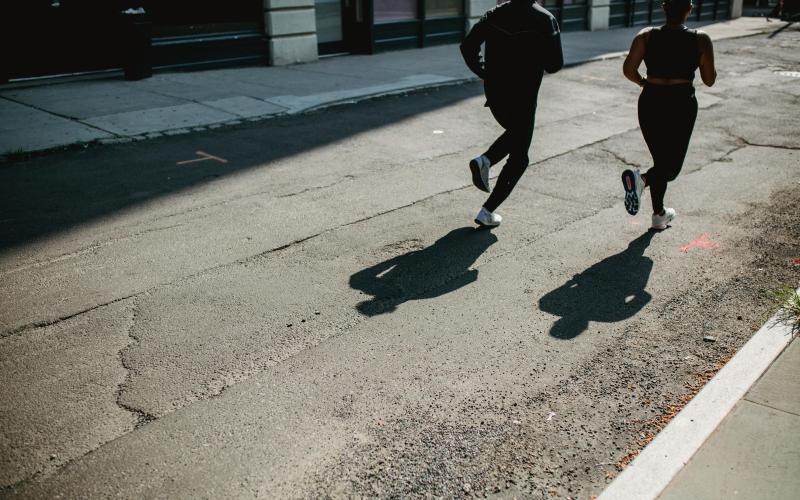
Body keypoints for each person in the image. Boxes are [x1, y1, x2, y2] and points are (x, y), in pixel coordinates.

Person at [460, 0, 563, 227]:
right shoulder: (545, 19)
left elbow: (467, 46)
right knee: (519, 157)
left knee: (516, 136)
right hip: (524, 95)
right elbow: (555, 64)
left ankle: (485, 162)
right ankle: (487, 207)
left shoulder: (494, 14)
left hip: (496, 94)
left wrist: (483, 71)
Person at [621, 0, 716, 230]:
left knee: (661, 161)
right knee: (670, 169)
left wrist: (643, 81)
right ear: (689, 9)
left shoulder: (646, 36)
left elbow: (629, 69)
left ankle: (659, 215)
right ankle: (641, 180)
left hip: (651, 101)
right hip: (680, 103)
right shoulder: (700, 39)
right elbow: (709, 80)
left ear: (664, 8)